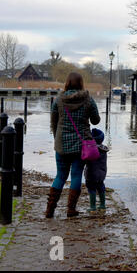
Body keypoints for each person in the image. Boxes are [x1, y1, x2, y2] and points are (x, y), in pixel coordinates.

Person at [46, 72, 101, 218]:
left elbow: (53, 122)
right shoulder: (88, 99)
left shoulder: (59, 100)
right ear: (81, 83)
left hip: (61, 144)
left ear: (67, 83)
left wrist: (56, 138)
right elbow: (96, 121)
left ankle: (49, 210)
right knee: (76, 175)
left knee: (60, 176)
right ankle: (71, 210)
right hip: (81, 145)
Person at [84, 128, 109, 211]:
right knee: (101, 188)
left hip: (91, 174)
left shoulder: (91, 149)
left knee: (91, 189)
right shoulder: (103, 149)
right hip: (101, 174)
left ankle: (92, 207)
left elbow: (85, 159)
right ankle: (102, 205)